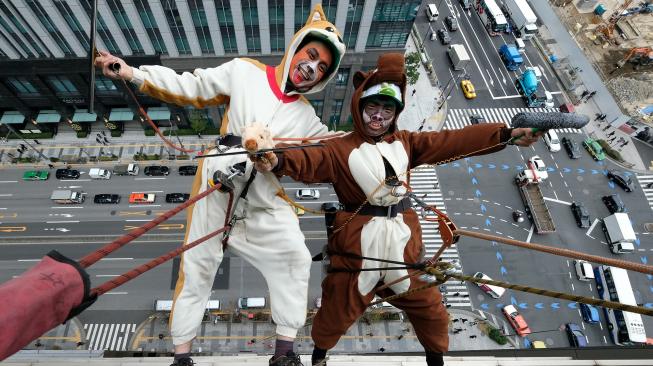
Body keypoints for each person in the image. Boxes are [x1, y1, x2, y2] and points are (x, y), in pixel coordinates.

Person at [253, 53, 544, 366]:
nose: (379, 116)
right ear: (359, 108)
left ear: (395, 114)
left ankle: (436, 361)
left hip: (402, 252)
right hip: (357, 252)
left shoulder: (406, 142)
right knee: (336, 311)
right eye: (372, 108)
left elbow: (451, 141)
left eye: (387, 109)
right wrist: (277, 159)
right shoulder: (339, 148)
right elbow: (310, 160)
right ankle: (319, 357)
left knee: (431, 309)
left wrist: (504, 135)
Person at [95, 5, 345, 366]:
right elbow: (191, 85)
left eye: (322, 67)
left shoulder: (307, 116)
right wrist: (133, 74)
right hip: (218, 181)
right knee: (197, 267)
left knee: (295, 255)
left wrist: (379, 134)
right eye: (311, 54)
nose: (311, 67)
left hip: (263, 196)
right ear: (296, 48)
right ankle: (182, 357)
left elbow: (333, 147)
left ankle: (285, 354)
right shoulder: (245, 72)